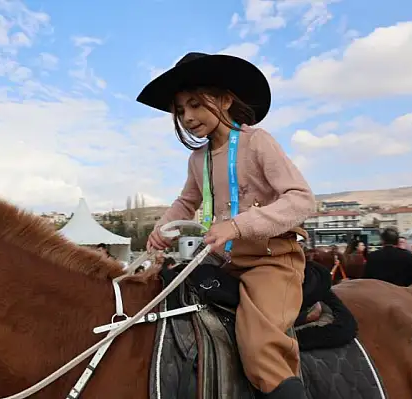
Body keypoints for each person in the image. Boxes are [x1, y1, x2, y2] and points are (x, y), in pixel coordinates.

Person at [137, 52, 316, 398]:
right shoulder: (198, 158)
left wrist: (235, 226)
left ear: (224, 100)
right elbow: (186, 202)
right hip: (224, 262)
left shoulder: (257, 142)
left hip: (271, 261)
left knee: (259, 347)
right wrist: (161, 232)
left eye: (195, 105)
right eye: (180, 111)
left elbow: (301, 198)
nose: (188, 117)